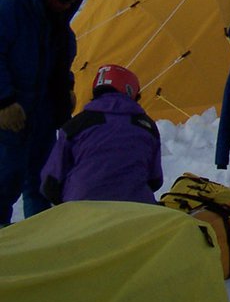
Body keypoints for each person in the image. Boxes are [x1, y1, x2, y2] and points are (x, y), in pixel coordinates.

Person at [0, 0, 84, 225]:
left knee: (42, 181)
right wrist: (4, 102)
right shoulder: (10, 7)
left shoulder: (55, 21)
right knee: (5, 179)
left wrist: (65, 91)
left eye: (72, 1)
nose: (67, 6)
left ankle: (39, 238)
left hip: (42, 114)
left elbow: (57, 61)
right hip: (10, 113)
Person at [40, 64, 162, 205]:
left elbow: (50, 182)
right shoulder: (147, 128)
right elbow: (155, 180)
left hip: (81, 208)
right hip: (135, 208)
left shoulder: (75, 126)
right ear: (131, 92)